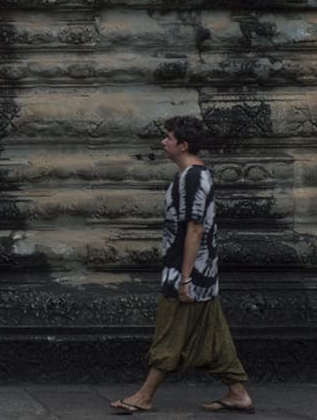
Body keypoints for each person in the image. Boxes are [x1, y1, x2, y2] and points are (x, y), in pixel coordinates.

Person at [109, 115, 255, 414]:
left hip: (188, 273)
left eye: (168, 137)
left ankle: (144, 396)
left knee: (169, 331)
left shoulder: (192, 177)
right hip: (200, 272)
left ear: (183, 144)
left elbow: (195, 228)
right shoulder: (194, 174)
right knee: (214, 334)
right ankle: (238, 393)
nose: (163, 141)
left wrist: (185, 278)